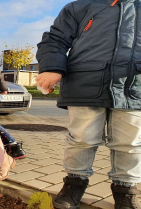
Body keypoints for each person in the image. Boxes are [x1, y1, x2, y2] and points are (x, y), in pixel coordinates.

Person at [36, 1, 141, 208]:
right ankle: (75, 182)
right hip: (85, 82)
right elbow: (55, 40)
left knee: (130, 143)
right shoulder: (81, 6)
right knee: (82, 138)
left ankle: (126, 189)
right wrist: (52, 67)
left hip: (134, 85)